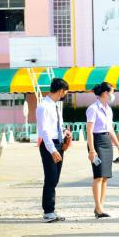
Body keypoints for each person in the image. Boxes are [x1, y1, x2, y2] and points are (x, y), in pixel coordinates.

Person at [36, 77, 73, 222]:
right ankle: (48, 211)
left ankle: (51, 209)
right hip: (49, 145)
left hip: (58, 143)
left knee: (55, 179)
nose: (65, 95)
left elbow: (56, 126)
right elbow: (44, 131)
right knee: (50, 178)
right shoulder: (43, 106)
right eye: (65, 92)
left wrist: (64, 132)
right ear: (61, 91)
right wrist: (52, 150)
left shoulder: (55, 106)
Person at [86, 82, 119, 219]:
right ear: (105, 93)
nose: (113, 95)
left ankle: (100, 207)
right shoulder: (93, 108)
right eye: (112, 92)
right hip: (96, 141)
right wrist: (92, 150)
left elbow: (110, 129)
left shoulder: (108, 109)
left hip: (107, 141)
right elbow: (89, 131)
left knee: (105, 176)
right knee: (98, 176)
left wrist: (118, 146)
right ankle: (98, 207)